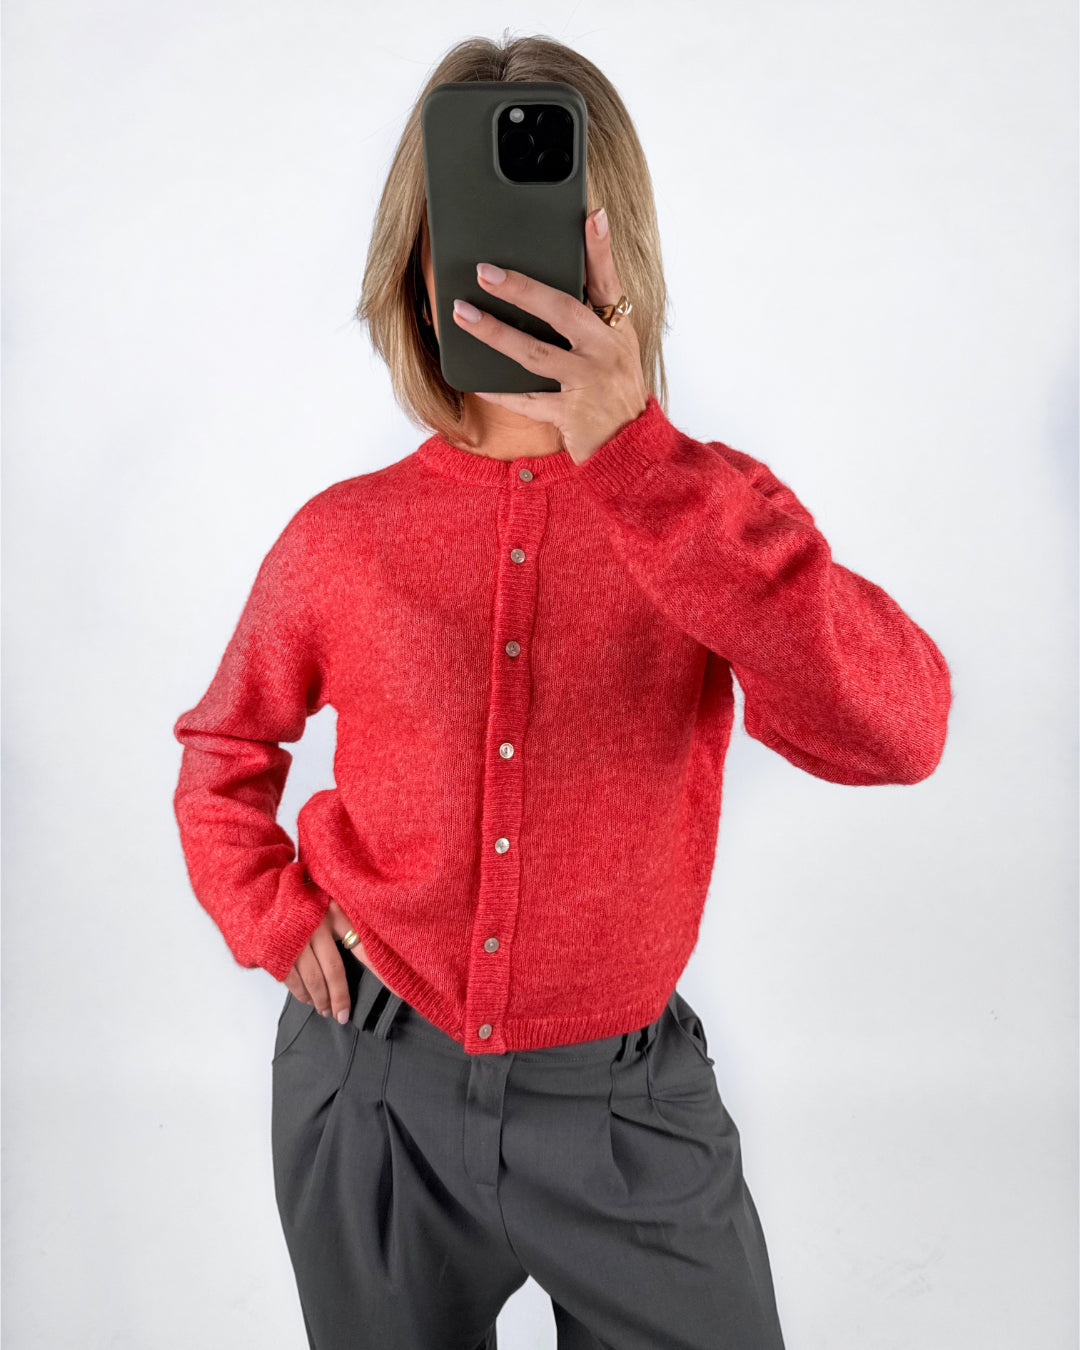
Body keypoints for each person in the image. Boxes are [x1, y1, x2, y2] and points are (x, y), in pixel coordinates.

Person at [172, 34, 951, 1350]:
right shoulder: (343, 537)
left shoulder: (708, 512)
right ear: (418, 272)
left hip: (630, 1120)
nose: (506, 280)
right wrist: (265, 906)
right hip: (372, 1095)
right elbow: (222, 750)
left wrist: (644, 466)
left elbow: (902, 727)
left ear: (618, 257)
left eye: (543, 242)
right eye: (470, 241)